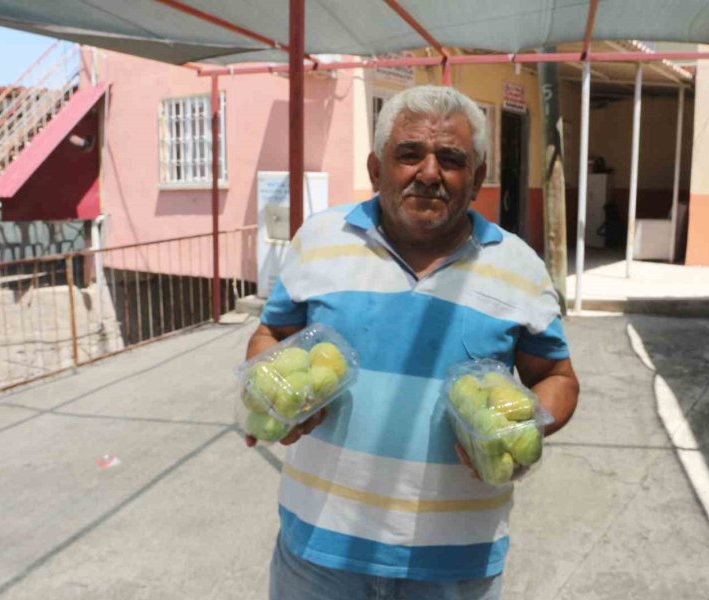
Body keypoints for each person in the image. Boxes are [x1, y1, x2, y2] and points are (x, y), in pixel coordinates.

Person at [245, 85, 579, 600]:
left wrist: (524, 430)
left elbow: (555, 377)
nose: (429, 172)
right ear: (377, 169)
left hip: (454, 567)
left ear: (478, 178)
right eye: (409, 154)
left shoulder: (519, 266)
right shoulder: (318, 240)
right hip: (317, 554)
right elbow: (273, 333)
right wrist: (270, 393)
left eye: (451, 158)